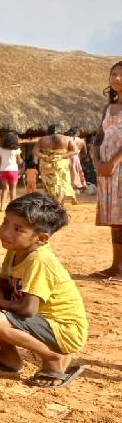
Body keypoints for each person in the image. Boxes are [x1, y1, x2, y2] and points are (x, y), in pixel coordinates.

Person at [0, 193, 87, 388]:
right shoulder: (16, 250)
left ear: (41, 239)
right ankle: (8, 356)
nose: (6, 232)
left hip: (65, 330)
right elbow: (12, 283)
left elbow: (27, 309)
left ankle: (53, 358)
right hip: (44, 322)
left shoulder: (40, 261)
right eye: (5, 223)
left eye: (18, 229)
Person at [92, 61, 122, 280]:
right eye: (113, 74)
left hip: (118, 167)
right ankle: (116, 266)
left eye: (121, 75)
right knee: (115, 218)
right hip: (106, 170)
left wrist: (113, 161)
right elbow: (99, 138)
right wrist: (97, 161)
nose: (117, 78)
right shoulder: (107, 108)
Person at [37, 124, 78, 205]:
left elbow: (35, 151)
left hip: (47, 165)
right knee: (63, 185)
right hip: (62, 165)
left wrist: (45, 157)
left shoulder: (42, 139)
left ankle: (56, 205)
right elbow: (75, 151)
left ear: (48, 131)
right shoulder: (67, 139)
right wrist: (61, 156)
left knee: (50, 187)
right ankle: (59, 204)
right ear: (61, 131)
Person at [0, 132, 23, 211]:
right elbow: (19, 161)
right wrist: (21, 160)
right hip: (13, 170)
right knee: (13, 189)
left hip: (3, 170)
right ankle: (12, 207)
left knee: (5, 189)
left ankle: (2, 207)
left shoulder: (0, 150)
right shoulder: (17, 150)